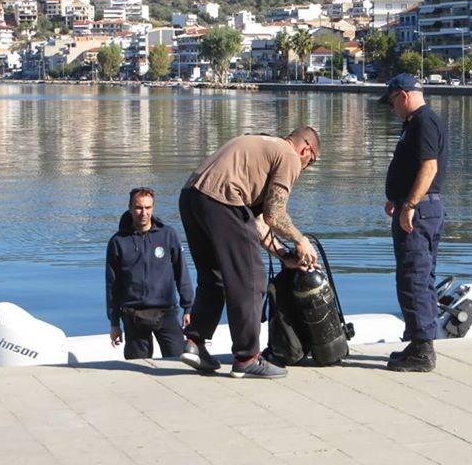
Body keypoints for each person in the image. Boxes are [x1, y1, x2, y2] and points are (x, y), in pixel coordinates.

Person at [178, 127, 320, 379]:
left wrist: (285, 256)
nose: (306, 168)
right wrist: (301, 240)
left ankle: (195, 343)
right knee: (251, 278)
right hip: (222, 200)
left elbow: (258, 223)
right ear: (306, 149)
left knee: (215, 277)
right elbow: (275, 215)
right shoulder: (288, 155)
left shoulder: (261, 148)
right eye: (311, 161)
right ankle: (247, 357)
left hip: (191, 197)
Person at [381, 73, 448, 373]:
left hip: (419, 211)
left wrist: (409, 204)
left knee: (414, 275)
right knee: (417, 274)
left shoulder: (423, 122)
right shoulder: (416, 123)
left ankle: (422, 348)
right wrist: (396, 197)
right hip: (415, 207)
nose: (392, 108)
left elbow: (429, 166)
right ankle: (418, 340)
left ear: (404, 96)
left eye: (392, 102)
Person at [106, 187, 194, 359]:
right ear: (130, 208)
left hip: (166, 311)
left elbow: (181, 271)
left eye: (148, 208)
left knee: (180, 361)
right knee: (137, 368)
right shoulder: (118, 242)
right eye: (138, 208)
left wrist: (188, 307)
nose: (143, 213)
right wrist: (114, 323)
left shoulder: (168, 235)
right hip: (133, 315)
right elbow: (112, 285)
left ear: (153, 208)